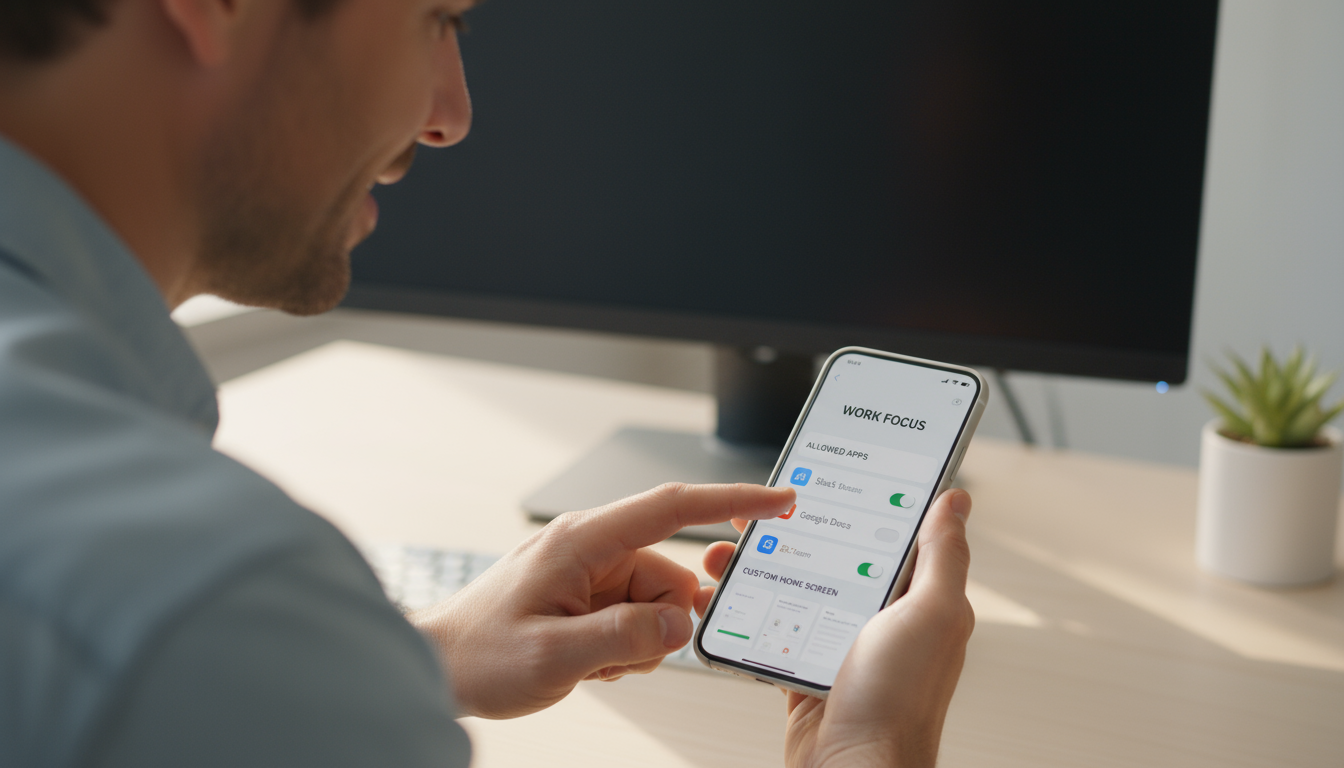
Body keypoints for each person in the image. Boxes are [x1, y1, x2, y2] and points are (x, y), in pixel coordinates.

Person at [0, 0, 976, 766]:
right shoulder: (206, 608)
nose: (451, 117)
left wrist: (408, 662)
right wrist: (865, 747)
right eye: (438, 19)